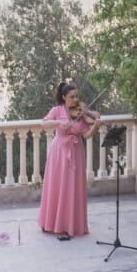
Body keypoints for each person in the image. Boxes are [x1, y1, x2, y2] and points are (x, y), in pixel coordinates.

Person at [37, 81, 101, 240]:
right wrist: (58, 122)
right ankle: (52, 223)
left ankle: (71, 225)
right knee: (58, 186)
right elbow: (43, 124)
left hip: (76, 151)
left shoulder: (80, 112)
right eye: (72, 97)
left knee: (73, 187)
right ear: (64, 97)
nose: (76, 99)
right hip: (60, 151)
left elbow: (86, 135)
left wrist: (95, 126)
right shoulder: (57, 110)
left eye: (77, 96)